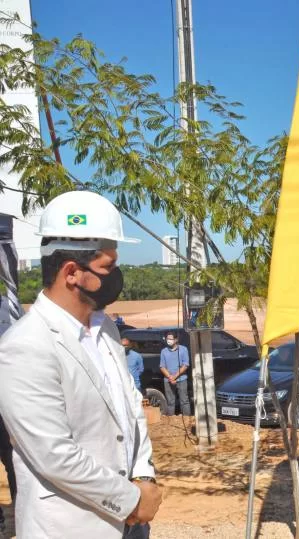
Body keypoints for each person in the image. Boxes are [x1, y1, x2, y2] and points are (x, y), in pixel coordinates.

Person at [0, 190, 161, 538]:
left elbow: (131, 410)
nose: (116, 276)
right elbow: (55, 454)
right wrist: (131, 499)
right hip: (72, 526)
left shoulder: (105, 329)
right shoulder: (24, 347)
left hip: (132, 521)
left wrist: (144, 477)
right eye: (108, 267)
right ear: (72, 272)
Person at [159, 331, 191, 416]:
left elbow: (186, 365)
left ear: (176, 340)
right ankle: (171, 419)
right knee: (170, 401)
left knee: (184, 401)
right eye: (167, 339)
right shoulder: (164, 351)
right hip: (168, 380)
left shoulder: (183, 349)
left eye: (170, 339)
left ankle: (186, 417)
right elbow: (162, 366)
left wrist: (175, 376)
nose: (168, 340)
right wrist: (170, 377)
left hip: (181, 379)